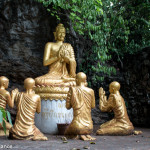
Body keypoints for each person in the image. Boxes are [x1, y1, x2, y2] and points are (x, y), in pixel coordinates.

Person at [65, 72, 96, 141]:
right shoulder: (91, 91)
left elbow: (67, 106)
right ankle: (85, 134)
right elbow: (93, 106)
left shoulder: (72, 90)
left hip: (77, 126)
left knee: (66, 132)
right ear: (85, 80)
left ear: (76, 80)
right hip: (89, 127)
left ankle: (78, 134)